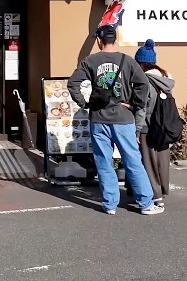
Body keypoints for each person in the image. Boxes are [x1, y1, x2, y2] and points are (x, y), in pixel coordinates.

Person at [68, 25, 161, 215]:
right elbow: (143, 83)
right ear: (115, 39)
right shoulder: (127, 61)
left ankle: (110, 204)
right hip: (123, 119)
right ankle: (145, 204)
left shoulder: (90, 61)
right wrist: (135, 104)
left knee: (103, 161)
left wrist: (84, 103)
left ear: (98, 40)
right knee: (133, 160)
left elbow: (73, 83)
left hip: (99, 118)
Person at [135, 39, 183, 212]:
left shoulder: (145, 81)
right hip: (164, 126)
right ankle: (162, 190)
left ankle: (155, 196)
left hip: (148, 127)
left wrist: (137, 129)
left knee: (148, 163)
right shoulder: (165, 79)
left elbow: (142, 108)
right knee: (162, 161)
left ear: (140, 62)